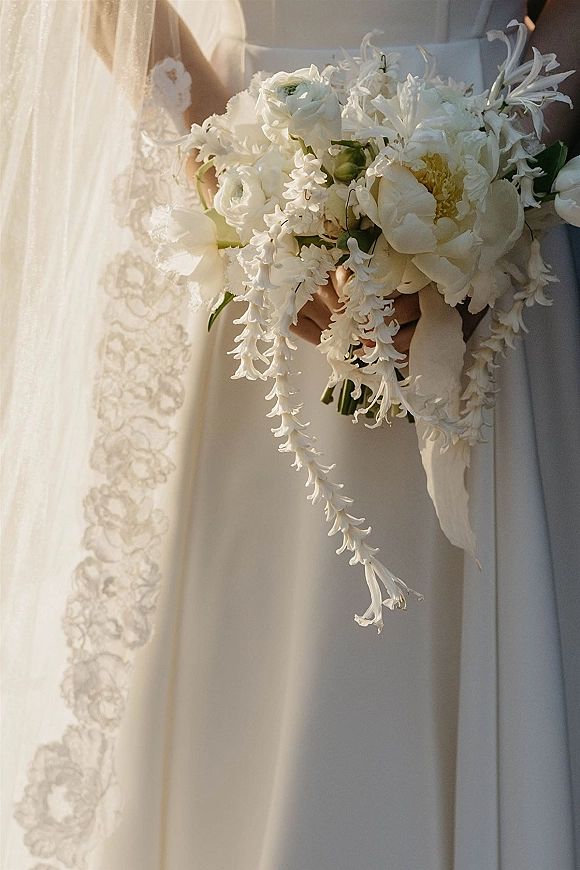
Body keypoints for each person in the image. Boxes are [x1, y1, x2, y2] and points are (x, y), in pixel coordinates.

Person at [2, 1, 578, 869]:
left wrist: (501, 187)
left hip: (494, 206)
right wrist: (236, 192)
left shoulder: (501, 190)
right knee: (265, 669)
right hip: (266, 216)